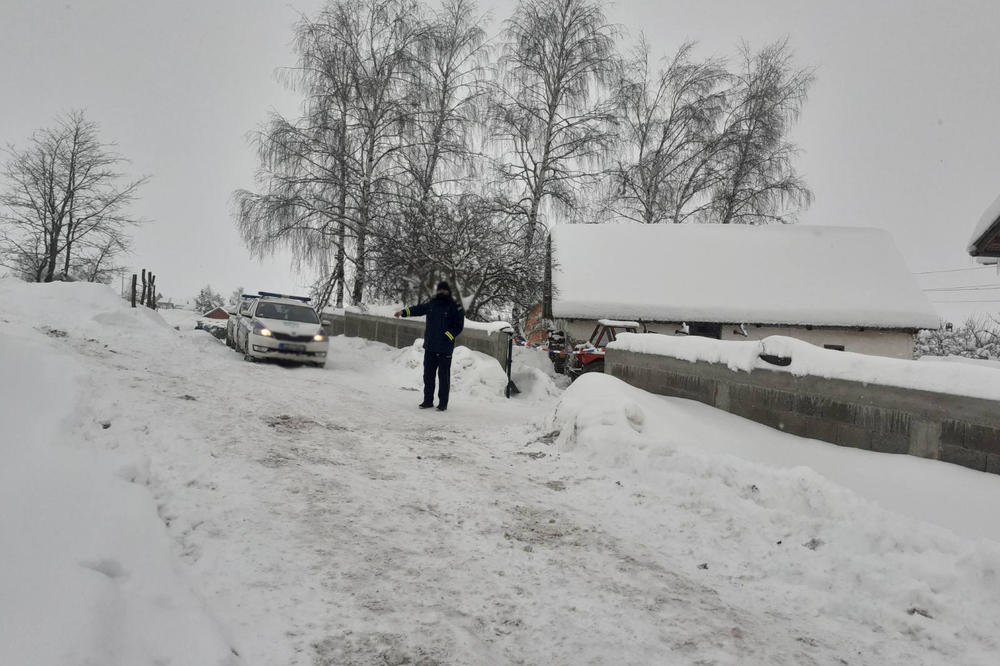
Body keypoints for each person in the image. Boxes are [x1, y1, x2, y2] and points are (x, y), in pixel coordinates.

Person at [395, 281, 465, 411]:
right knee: (428, 376)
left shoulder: (455, 307)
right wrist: (403, 312)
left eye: (444, 290)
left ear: (448, 291)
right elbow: (418, 309)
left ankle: (443, 403)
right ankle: (428, 401)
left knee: (444, 378)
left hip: (445, 349)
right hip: (431, 348)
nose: (441, 292)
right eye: (440, 290)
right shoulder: (432, 304)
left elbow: (459, 326)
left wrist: (448, 335)